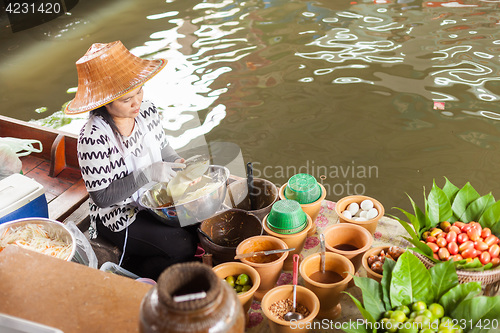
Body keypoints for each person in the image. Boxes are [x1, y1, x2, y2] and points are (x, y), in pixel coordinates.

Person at [64, 41, 198, 279]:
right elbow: (102, 198)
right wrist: (147, 174)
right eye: (126, 100)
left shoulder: (147, 110)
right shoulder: (93, 137)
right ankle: (132, 274)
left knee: (197, 221)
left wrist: (180, 165)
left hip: (155, 201)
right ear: (105, 102)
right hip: (120, 215)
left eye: (139, 91)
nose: (137, 102)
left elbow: (164, 148)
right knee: (182, 245)